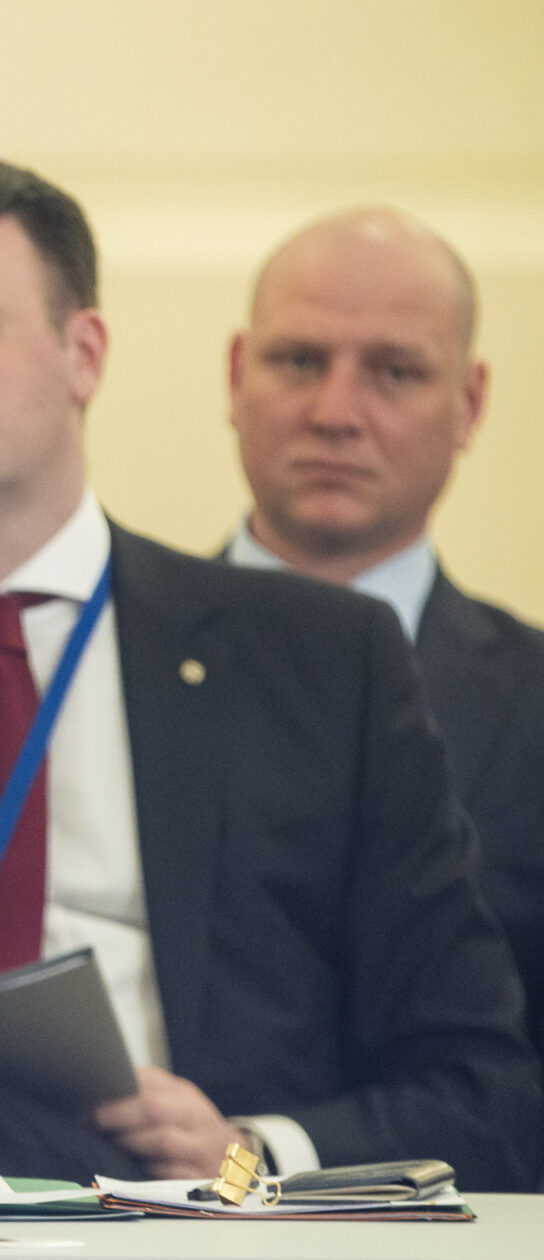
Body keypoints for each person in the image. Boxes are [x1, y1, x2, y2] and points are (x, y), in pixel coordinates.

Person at [0, 153, 540, 1189]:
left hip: (189, 1223)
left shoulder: (320, 658)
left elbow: (485, 1090)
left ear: (82, 354)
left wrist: (250, 1157)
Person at [223, 208, 544, 1076]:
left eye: (395, 372)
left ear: (470, 404)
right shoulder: (92, 652)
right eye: (299, 361)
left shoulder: (533, 702)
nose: (336, 413)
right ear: (236, 374)